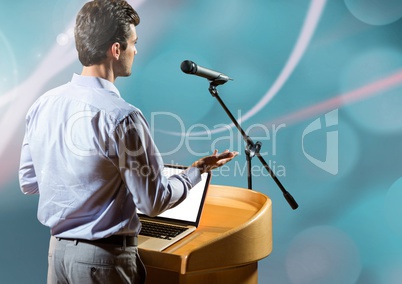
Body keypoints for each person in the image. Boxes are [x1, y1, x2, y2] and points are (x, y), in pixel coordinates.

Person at [18, 1, 238, 283]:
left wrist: (82, 187)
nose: (136, 50)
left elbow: (28, 182)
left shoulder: (43, 104)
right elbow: (152, 202)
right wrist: (195, 173)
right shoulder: (122, 117)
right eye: (134, 42)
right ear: (116, 49)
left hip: (57, 257)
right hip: (103, 261)